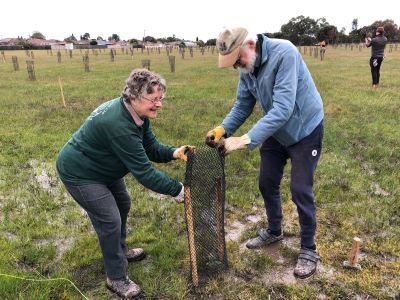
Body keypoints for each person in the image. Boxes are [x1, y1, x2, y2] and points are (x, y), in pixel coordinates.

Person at [56, 68, 192, 298]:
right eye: (154, 99)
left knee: (123, 203)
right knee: (109, 219)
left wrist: (174, 152)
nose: (159, 104)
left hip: (102, 167)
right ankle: (116, 278)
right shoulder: (119, 124)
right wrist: (177, 189)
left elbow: (150, 147)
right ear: (135, 96)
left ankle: (119, 251)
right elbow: (144, 172)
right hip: (80, 172)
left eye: (161, 98)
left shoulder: (136, 115)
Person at [206, 27, 324, 279]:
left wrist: (246, 139)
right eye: (233, 64)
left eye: (237, 59)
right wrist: (223, 129)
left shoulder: (285, 53)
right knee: (266, 182)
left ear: (249, 44)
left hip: (304, 130)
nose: (237, 66)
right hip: (275, 131)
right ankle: (274, 230)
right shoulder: (248, 66)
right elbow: (243, 104)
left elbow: (283, 108)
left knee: (300, 189)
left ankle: (308, 249)